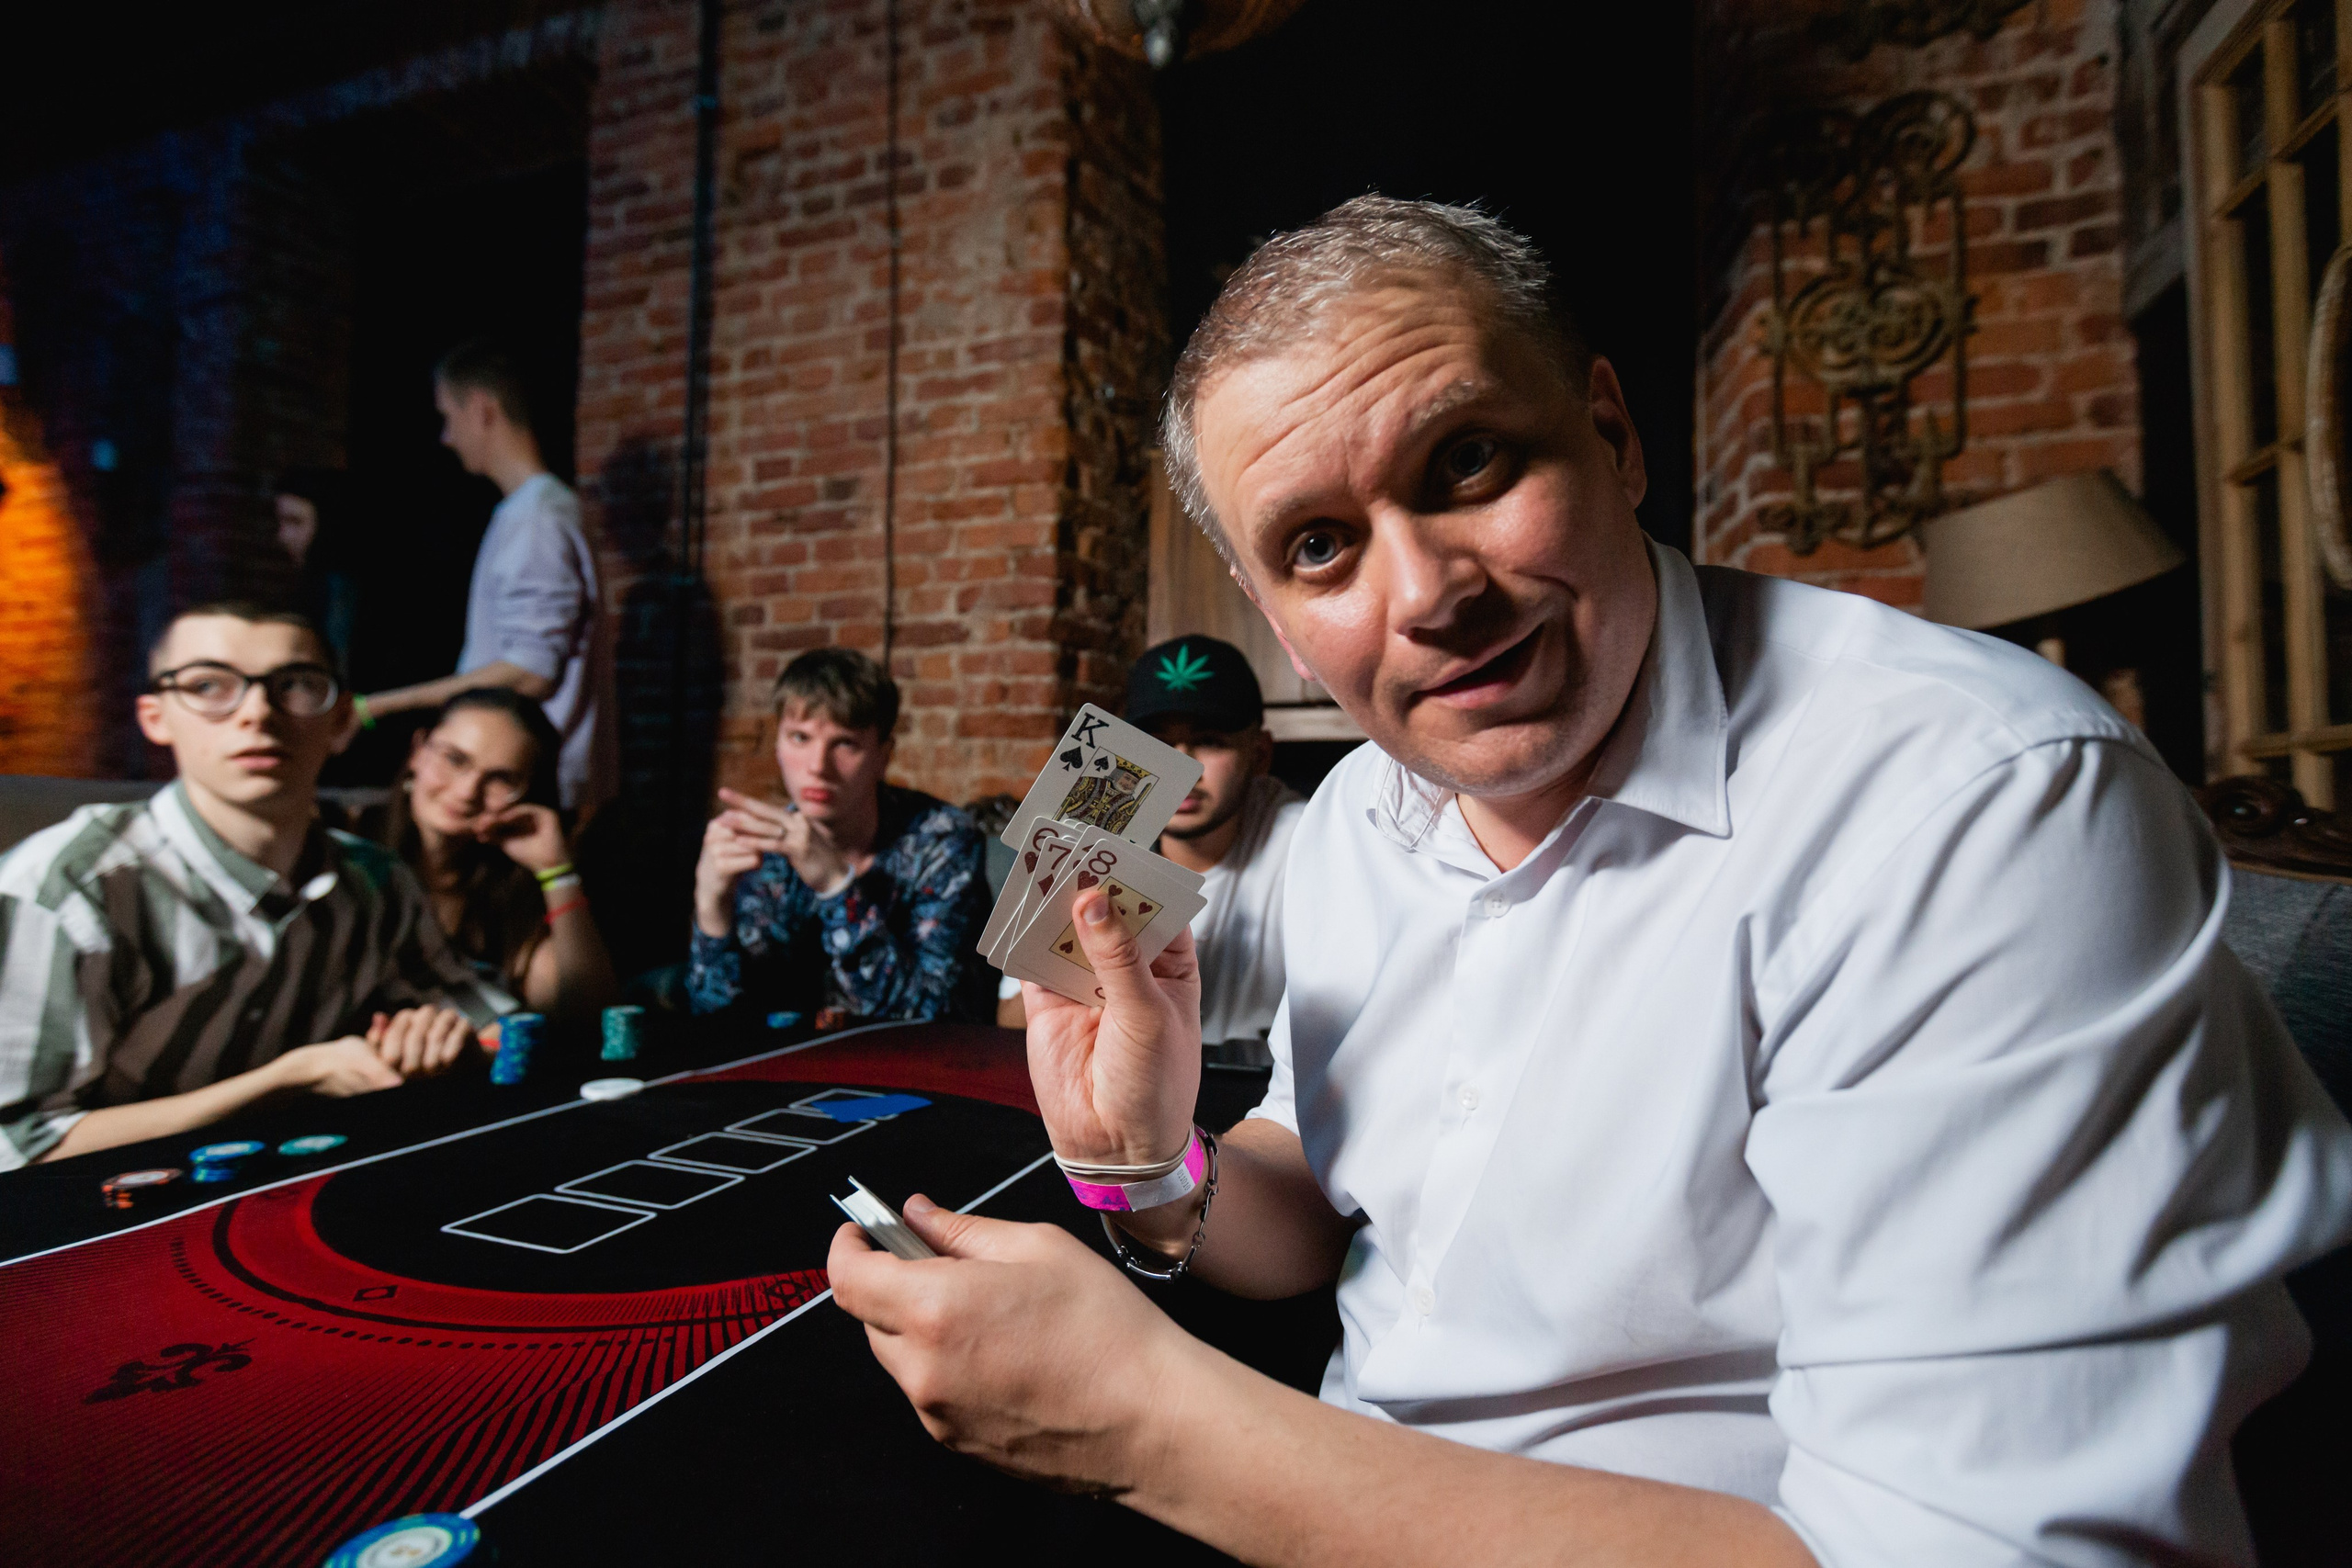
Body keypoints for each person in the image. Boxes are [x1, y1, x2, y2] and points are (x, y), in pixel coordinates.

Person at [826, 197, 2352, 1565]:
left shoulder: (1974, 810)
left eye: (1468, 460)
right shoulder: (1365, 817)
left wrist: (1150, 1425)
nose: (1428, 594)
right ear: (1284, 626)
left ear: (1614, 434)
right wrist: (1140, 1166)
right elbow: (1315, 1203)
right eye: (1319, 545)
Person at [0, 604, 510, 1169]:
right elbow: (20, 1145)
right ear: (155, 717)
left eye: (295, 686)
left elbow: (502, 1028)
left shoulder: (376, 882)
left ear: (340, 720)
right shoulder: (71, 889)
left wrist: (444, 1039)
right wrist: (291, 1079)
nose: (257, 713)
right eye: (208, 685)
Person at [994, 637, 1305, 1063]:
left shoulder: (1307, 841)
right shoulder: (1083, 837)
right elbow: (1011, 1020)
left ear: (1260, 754)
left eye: (1210, 741)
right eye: (1157, 744)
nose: (1185, 769)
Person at [356, 342, 607, 813]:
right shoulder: (534, 512)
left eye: (448, 417)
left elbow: (529, 671)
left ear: (481, 409)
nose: (447, 438)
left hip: (521, 786)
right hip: (519, 781)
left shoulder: (536, 519)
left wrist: (375, 707)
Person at [687, 648, 992, 1028]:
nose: (817, 766)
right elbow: (721, 1026)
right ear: (778, 745)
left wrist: (835, 884)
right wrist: (711, 909)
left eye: (845, 743)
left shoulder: (942, 841)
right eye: (800, 738)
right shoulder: (761, 851)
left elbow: (933, 1016)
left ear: (883, 755)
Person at [382, 687, 617, 1027]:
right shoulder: (349, 851)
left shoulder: (511, 896)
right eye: (455, 759)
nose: (467, 792)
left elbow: (591, 1017)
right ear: (418, 751)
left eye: (500, 779)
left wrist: (557, 872)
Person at [272, 467, 357, 677]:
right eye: (280, 523)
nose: (282, 536)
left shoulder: (341, 590)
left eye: (295, 522)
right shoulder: (310, 588)